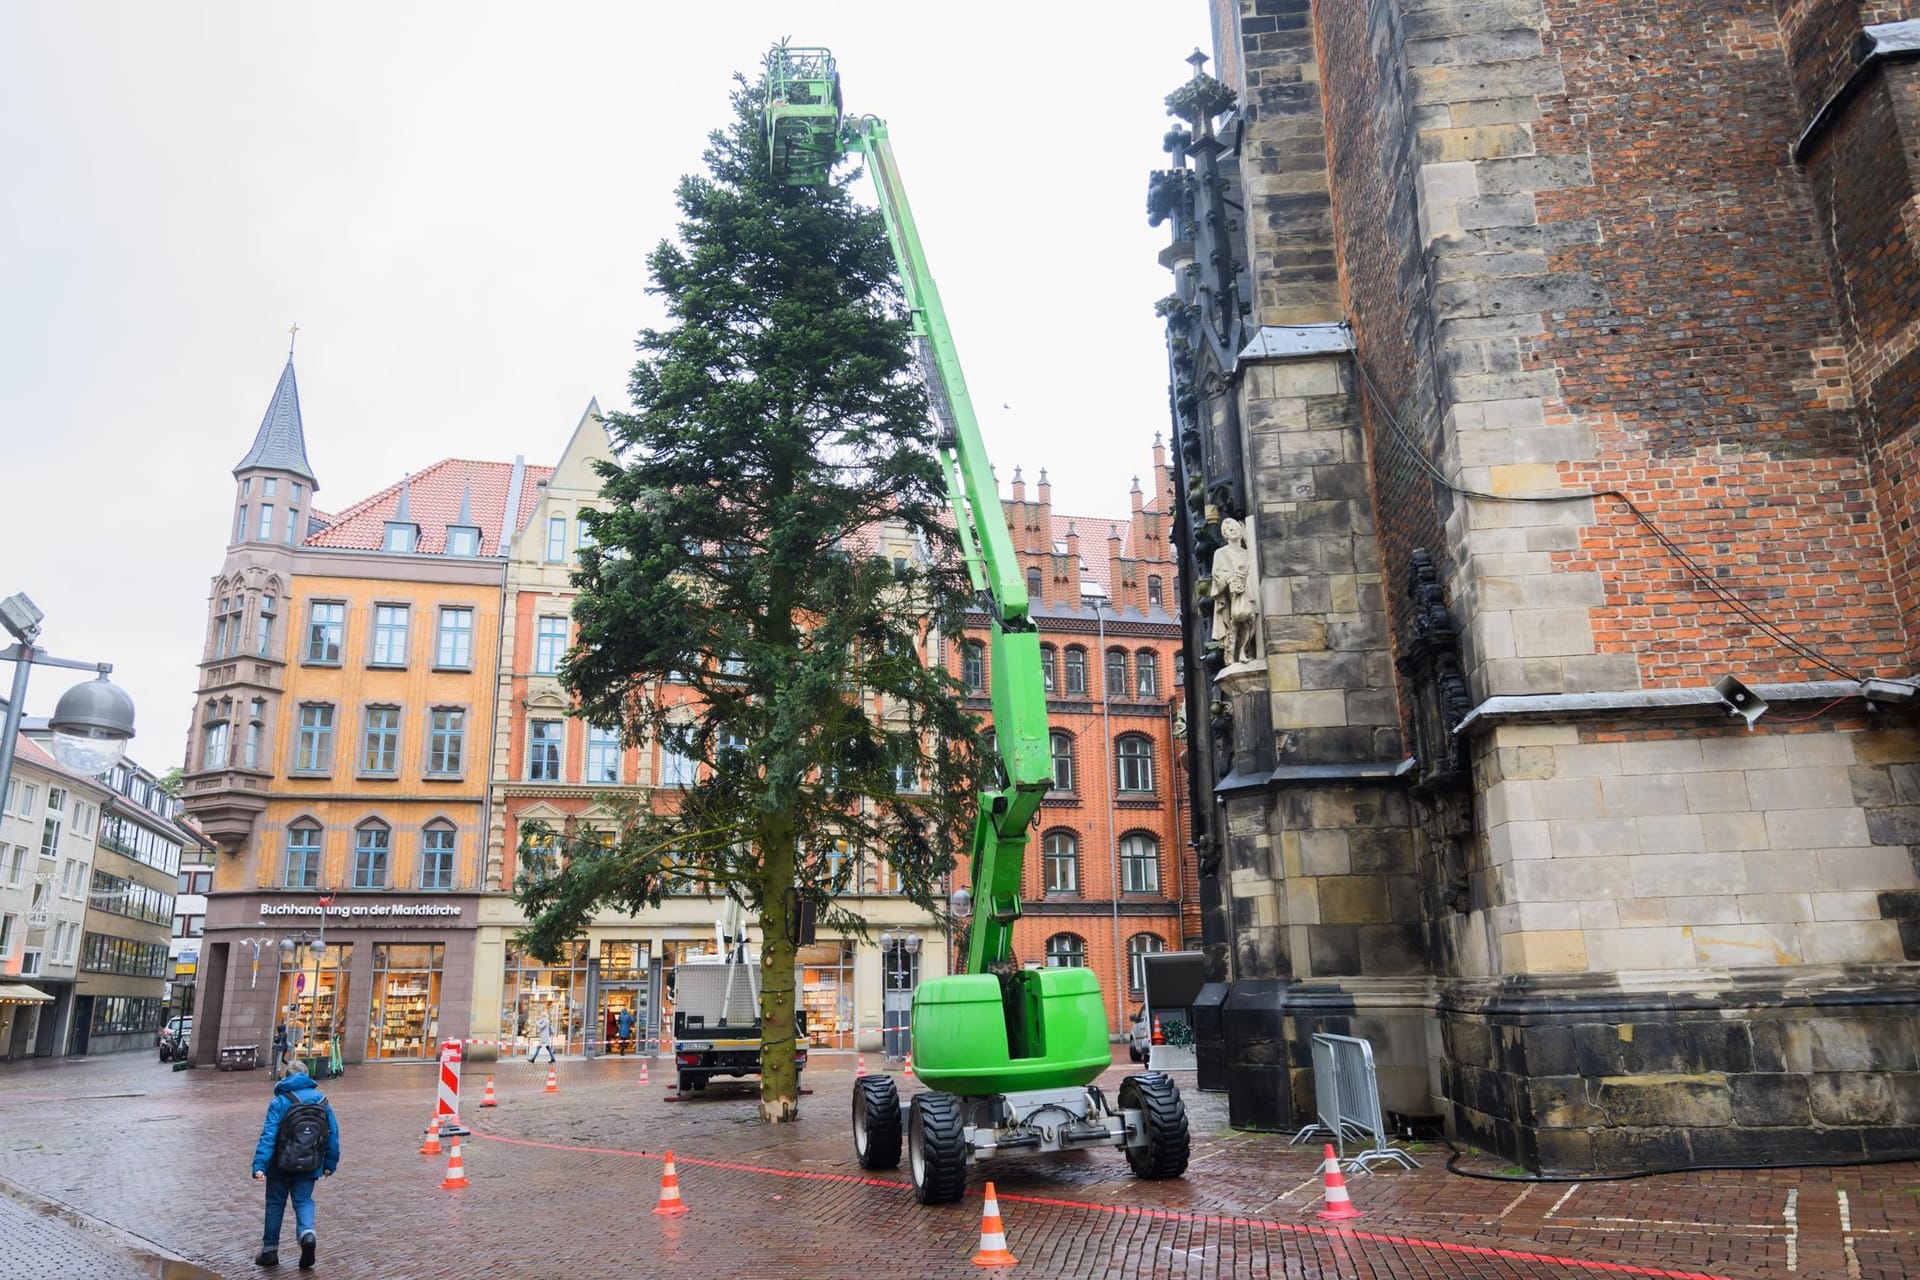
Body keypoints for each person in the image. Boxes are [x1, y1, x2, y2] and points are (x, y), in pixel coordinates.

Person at [250, 1060, 340, 1270]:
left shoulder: (280, 1101)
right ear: (307, 1076)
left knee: (275, 1204)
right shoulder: (322, 1101)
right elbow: (332, 1136)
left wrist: (259, 1165)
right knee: (303, 1201)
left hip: (279, 1164)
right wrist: (330, 1164)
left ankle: (270, 1251)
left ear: (286, 1076)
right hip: (311, 1163)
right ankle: (307, 1234)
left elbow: (269, 1135)